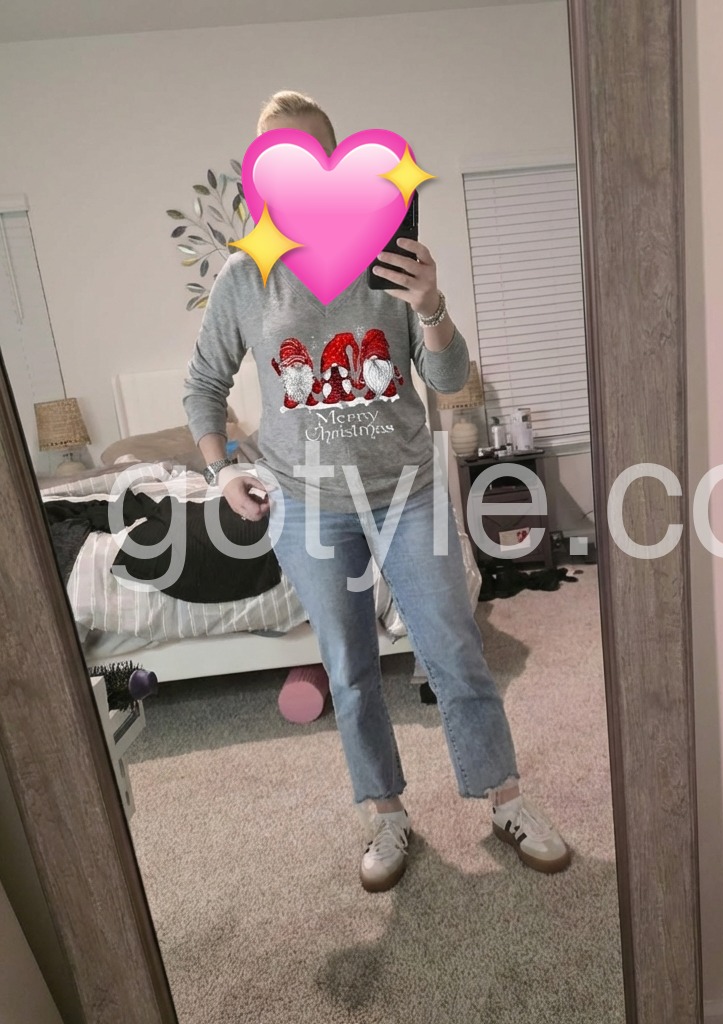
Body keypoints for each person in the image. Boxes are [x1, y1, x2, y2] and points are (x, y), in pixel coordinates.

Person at [183, 90, 570, 892]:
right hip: (306, 502)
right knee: (349, 665)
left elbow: (450, 380)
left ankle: (504, 797)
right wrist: (223, 471)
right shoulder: (245, 277)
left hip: (408, 492)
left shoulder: (390, 257)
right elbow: (202, 386)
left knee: (454, 647)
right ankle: (384, 812)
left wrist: (431, 306)